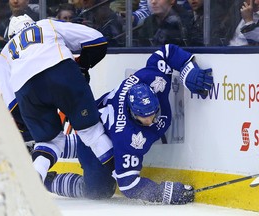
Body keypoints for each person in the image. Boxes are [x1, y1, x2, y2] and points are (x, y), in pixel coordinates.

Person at [44, 43, 213, 203]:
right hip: (97, 148)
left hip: (97, 125)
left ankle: (49, 149)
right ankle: (47, 181)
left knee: (84, 145)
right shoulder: (127, 137)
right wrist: (166, 193)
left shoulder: (154, 79)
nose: (150, 120)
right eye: (143, 117)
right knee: (98, 191)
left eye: (153, 113)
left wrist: (188, 69)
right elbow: (129, 186)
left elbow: (167, 52)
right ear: (132, 113)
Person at [0, 14, 113, 183]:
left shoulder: (5, 53)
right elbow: (97, 39)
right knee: (92, 133)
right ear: (32, 23)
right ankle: (122, 176)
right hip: (61, 72)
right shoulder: (47, 25)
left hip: (27, 90)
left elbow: (12, 104)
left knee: (49, 142)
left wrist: (29, 127)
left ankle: (35, 177)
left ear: (11, 35)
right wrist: (83, 64)